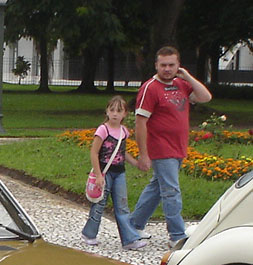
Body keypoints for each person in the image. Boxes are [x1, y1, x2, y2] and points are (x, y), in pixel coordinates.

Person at [129, 46, 212, 245]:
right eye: (163, 65)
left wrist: (188, 77)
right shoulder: (150, 88)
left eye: (172, 65)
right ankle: (177, 236)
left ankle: (132, 225)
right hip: (161, 147)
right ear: (156, 65)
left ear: (178, 65)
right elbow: (140, 122)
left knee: (158, 187)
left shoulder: (181, 85)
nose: (167, 69)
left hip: (179, 147)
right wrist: (143, 153)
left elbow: (205, 97)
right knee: (171, 191)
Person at [81, 95, 146, 250]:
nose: (115, 114)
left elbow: (123, 153)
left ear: (125, 114)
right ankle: (89, 233)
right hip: (104, 172)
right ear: (107, 112)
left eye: (119, 111)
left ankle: (129, 239)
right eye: (112, 110)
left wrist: (136, 163)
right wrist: (98, 175)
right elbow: (94, 152)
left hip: (119, 173)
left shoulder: (124, 131)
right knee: (99, 203)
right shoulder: (103, 130)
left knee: (122, 205)